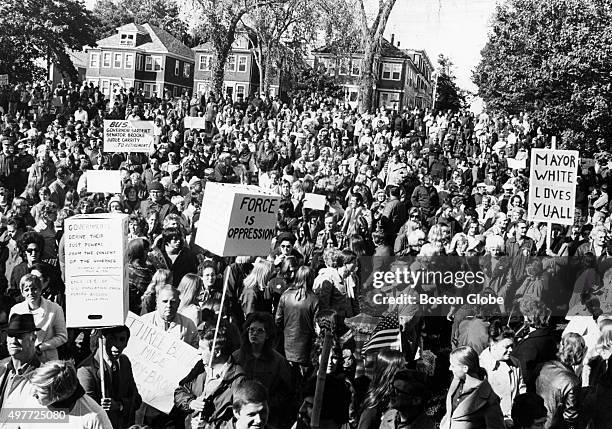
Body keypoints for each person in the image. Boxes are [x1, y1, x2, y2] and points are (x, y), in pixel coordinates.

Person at [175, 320, 245, 428]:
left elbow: (240, 421)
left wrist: (209, 427)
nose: (198, 352)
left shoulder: (239, 380)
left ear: (217, 352)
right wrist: (190, 403)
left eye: (202, 349)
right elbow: (180, 391)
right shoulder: (200, 367)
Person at [232, 312, 293, 428]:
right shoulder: (236, 357)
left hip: (268, 418)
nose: (254, 333)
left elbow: (286, 392)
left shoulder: (279, 361)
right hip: (241, 416)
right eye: (251, 329)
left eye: (260, 331)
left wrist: (268, 404)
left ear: (268, 335)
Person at [77, 325, 142, 429]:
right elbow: (88, 411)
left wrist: (119, 405)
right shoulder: (86, 370)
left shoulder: (125, 362)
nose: (117, 346)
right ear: (102, 339)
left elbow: (136, 400)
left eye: (122, 339)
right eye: (112, 339)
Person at [24, 360, 113, 428]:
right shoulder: (32, 403)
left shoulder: (94, 418)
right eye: (34, 386)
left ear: (59, 395)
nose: (33, 394)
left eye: (41, 391)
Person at [440, 346, 505, 429]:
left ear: (465, 368)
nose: (450, 368)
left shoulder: (489, 398)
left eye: (453, 366)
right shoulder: (456, 382)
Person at [9, 274, 67, 362]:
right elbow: (11, 335)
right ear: (22, 293)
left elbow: (62, 336)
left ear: (40, 290)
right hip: (23, 358)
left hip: (47, 359)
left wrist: (41, 347)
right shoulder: (16, 309)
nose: (30, 293)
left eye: (34, 289)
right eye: (26, 290)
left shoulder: (55, 308)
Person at [479, 320, 526, 426]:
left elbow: (521, 390)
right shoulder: (482, 365)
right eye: (506, 347)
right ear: (493, 344)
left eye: (512, 346)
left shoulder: (515, 363)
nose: (510, 350)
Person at [534, 333, 585, 429]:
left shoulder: (543, 366)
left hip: (536, 422)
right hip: (555, 425)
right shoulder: (573, 382)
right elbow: (570, 416)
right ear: (580, 352)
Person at [276, 266, 320, 375]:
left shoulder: (285, 295)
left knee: (288, 376)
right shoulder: (314, 299)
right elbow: (317, 326)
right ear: (311, 279)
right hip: (305, 345)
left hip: (287, 343)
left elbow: (278, 320)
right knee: (303, 379)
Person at [0, 314, 41, 415]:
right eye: (10, 335)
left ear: (33, 338)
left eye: (19, 336)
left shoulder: (43, 374)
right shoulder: (2, 368)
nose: (13, 341)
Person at [358, 349, 406, 429]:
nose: (405, 370)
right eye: (402, 367)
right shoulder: (374, 404)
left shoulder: (398, 397)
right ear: (390, 371)